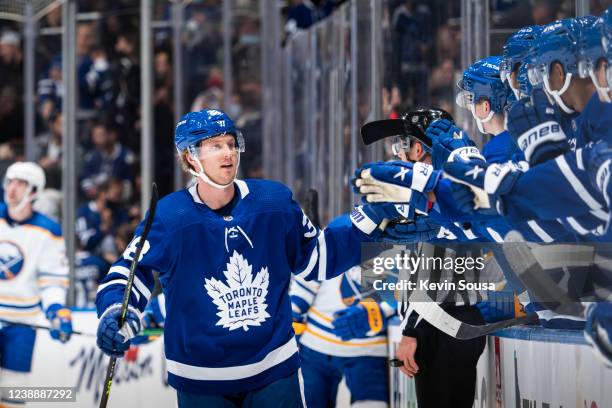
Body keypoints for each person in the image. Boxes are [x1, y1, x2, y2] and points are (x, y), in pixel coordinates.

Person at [95, 108, 379, 407]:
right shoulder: (170, 218)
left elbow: (316, 258)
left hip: (274, 371)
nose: (227, 153)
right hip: (202, 380)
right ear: (191, 156)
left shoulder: (274, 202)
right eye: (215, 146)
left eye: (231, 143)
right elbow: (129, 271)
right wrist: (117, 311)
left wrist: (370, 220)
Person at [0, 162, 72, 405]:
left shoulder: (48, 231)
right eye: (10, 181)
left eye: (20, 183)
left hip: (22, 324)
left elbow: (52, 280)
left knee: (13, 394)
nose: (12, 188)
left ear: (33, 192)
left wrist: (55, 311)